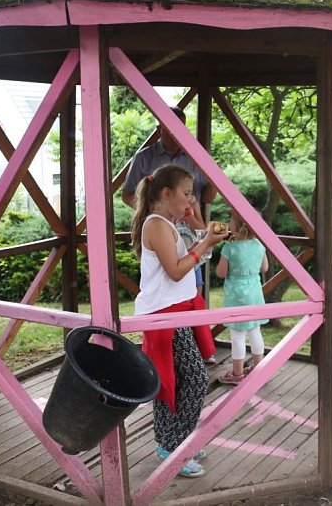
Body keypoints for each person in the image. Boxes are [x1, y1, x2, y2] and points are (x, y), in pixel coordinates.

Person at [131, 164, 226, 478]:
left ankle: (173, 440)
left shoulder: (167, 222)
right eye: (186, 194)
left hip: (174, 310)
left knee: (176, 379)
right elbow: (176, 269)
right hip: (163, 315)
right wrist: (206, 245)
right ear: (165, 193)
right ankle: (174, 445)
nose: (190, 200)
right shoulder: (157, 225)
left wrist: (201, 227)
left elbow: (198, 244)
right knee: (195, 379)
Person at [122, 107, 218, 296]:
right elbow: (127, 194)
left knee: (192, 293)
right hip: (162, 237)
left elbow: (207, 197)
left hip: (189, 236)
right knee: (164, 288)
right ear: (160, 129)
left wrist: (216, 177)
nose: (176, 133)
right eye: (171, 128)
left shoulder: (197, 157)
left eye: (180, 128)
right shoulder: (143, 158)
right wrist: (158, 214)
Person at [215, 210, 269, 385]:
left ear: (236, 227)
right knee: (255, 331)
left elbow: (221, 273)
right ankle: (258, 368)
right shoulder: (259, 245)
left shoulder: (229, 247)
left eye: (231, 221)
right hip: (254, 291)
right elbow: (265, 268)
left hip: (236, 295)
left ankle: (237, 373)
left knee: (237, 335)